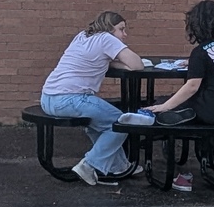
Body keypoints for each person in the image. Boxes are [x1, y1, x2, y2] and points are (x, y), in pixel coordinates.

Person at [143, 0, 214, 192]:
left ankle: (159, 150)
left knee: (161, 105)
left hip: (213, 111)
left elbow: (192, 86)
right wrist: (192, 63)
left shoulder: (199, 53)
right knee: (171, 103)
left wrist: (165, 105)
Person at [40, 11, 145, 186]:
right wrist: (125, 63)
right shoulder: (107, 38)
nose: (124, 35)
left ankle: (119, 166)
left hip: (48, 98)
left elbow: (103, 61)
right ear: (110, 28)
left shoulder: (82, 36)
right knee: (122, 122)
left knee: (104, 122)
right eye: (121, 29)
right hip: (72, 99)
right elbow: (137, 64)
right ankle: (89, 165)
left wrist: (118, 62)